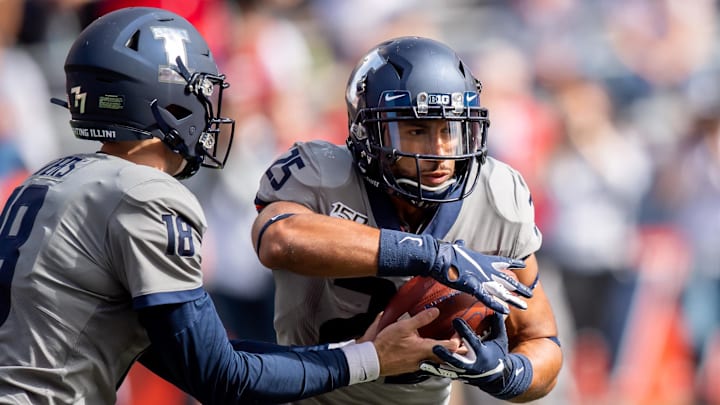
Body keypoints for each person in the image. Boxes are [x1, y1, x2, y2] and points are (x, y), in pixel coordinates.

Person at [0, 9, 461, 405]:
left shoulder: (50, 176)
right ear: (165, 99)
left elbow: (201, 359)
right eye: (200, 91)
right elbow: (222, 378)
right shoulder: (146, 195)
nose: (210, 109)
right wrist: (372, 360)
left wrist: (355, 354)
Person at [252, 36, 563, 404]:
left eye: (450, 129)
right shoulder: (326, 175)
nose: (441, 152)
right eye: (417, 131)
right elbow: (276, 237)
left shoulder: (496, 196)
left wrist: (507, 373)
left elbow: (542, 340)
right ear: (367, 131)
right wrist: (429, 255)